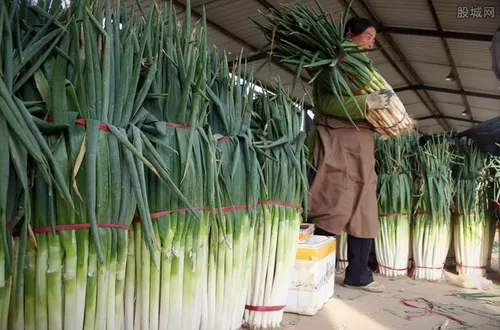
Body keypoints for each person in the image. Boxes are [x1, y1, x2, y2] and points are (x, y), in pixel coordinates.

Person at [307, 17, 390, 293]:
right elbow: (327, 103)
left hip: (362, 142)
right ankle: (316, 271)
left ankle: (359, 274)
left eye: (373, 37)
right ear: (349, 33)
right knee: (334, 199)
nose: (371, 41)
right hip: (337, 138)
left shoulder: (364, 66)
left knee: (365, 204)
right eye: (367, 35)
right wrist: (366, 102)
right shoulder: (333, 60)